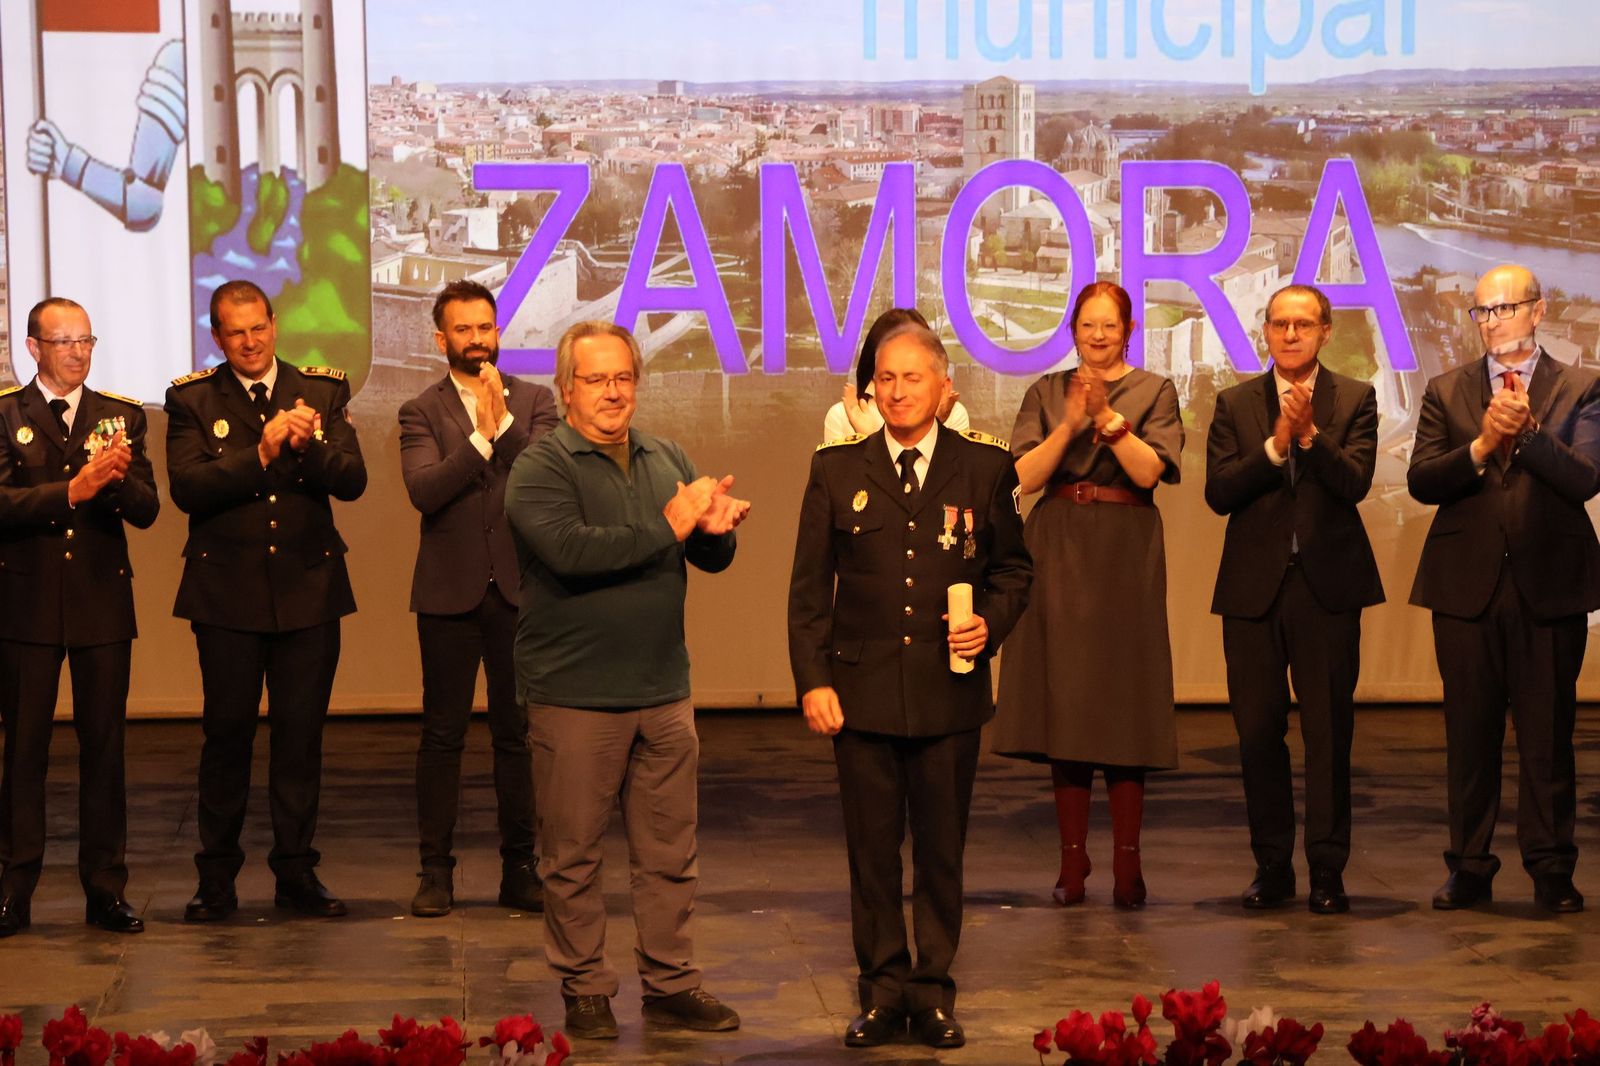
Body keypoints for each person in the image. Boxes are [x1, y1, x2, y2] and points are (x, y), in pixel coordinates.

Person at [788, 311, 1031, 1049]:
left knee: (939, 854)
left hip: (947, 693)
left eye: (911, 377)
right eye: (885, 379)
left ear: (944, 386)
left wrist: (989, 622)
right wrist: (812, 681)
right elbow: (807, 591)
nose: (897, 392)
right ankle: (882, 993)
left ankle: (932, 994)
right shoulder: (837, 468)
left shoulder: (984, 467)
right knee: (870, 855)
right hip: (859, 695)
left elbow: (1014, 571)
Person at [505, 321, 750, 1041]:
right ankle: (585, 987)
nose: (612, 392)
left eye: (623, 378)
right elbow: (575, 552)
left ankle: (671, 982)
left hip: (662, 691)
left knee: (670, 854)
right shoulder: (540, 467)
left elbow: (708, 558)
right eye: (596, 379)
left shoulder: (663, 453)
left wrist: (716, 528)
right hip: (575, 695)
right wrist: (673, 526)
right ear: (566, 389)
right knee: (573, 855)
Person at [165, 279, 367, 921]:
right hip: (225, 595)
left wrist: (307, 447)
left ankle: (296, 874)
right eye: (234, 332)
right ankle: (216, 879)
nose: (249, 342)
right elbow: (189, 489)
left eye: (258, 328)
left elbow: (354, 482)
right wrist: (261, 450)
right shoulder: (192, 398)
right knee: (226, 736)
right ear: (217, 336)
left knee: (300, 739)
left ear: (274, 325)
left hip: (309, 591)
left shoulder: (323, 391)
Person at [1408, 263, 1600, 915]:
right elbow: (1424, 480)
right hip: (1466, 586)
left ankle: (1551, 870)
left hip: (1550, 582)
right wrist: (1483, 444)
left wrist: (1530, 433)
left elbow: (1585, 480)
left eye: (1505, 309)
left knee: (1547, 735)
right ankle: (1469, 867)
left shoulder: (1581, 387)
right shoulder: (1446, 390)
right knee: (1470, 734)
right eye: (1482, 312)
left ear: (1538, 311)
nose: (1493, 323)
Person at [991, 281, 1183, 910]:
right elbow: (1021, 478)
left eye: (1110, 326)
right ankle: (1072, 865)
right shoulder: (1046, 392)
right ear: (1072, 329)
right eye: (1087, 326)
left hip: (1125, 547)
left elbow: (1152, 471)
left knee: (1123, 702)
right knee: (1067, 700)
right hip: (1058, 544)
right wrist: (1070, 425)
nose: (1098, 336)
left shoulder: (1155, 390)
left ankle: (1129, 864)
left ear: (1128, 330)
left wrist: (1107, 422)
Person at [1204, 283, 1383, 914]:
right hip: (1254, 591)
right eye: (1279, 323)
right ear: (1265, 333)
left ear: (1325, 332)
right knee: (1257, 733)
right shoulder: (1234, 403)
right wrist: (1277, 445)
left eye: (1303, 324)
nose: (1289, 334)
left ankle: (1328, 873)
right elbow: (1220, 491)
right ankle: (1272, 866)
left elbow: (1356, 483)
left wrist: (1310, 437)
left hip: (1327, 590)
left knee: (1329, 734)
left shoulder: (1355, 399)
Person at [399, 279, 559, 918]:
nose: (477, 340)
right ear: (441, 339)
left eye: (485, 328)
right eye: (463, 330)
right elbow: (426, 490)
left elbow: (545, 474)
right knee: (442, 736)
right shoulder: (421, 410)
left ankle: (521, 868)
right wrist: (481, 437)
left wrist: (502, 423)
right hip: (448, 592)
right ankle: (435, 871)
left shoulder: (535, 399)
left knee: (517, 735)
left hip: (520, 591)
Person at [0, 298, 159, 938]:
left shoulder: (119, 416)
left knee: (105, 749)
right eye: (63, 342)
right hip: (27, 603)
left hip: (100, 602)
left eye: (85, 340)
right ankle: (14, 889)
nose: (77, 352)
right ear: (34, 347)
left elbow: (147, 509)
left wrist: (115, 481)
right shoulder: (8, 414)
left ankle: (105, 888)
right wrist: (71, 490)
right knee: (25, 752)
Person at [822, 308, 970, 442]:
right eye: (888, 378)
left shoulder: (953, 414)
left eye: (912, 378)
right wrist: (870, 442)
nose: (898, 393)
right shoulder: (841, 417)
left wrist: (931, 426)